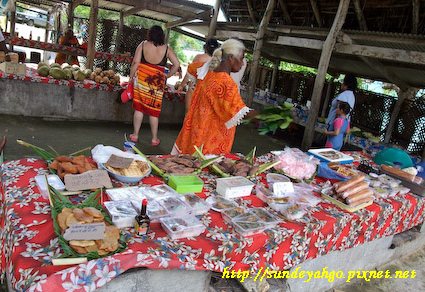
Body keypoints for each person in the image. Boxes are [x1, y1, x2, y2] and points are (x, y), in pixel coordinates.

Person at [171, 39, 251, 155]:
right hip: (210, 143)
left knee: (184, 163)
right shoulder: (226, 83)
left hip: (195, 131)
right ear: (230, 58)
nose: (243, 63)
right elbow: (239, 112)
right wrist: (266, 116)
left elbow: (191, 69)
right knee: (198, 168)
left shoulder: (207, 70)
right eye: (241, 58)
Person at [129, 25, 180, 146]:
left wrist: (131, 77)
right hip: (157, 83)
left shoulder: (142, 44)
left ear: (150, 34)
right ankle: (154, 139)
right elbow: (177, 64)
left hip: (142, 79)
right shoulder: (167, 49)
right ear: (162, 36)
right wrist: (167, 76)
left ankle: (135, 135)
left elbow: (136, 62)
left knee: (139, 107)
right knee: (153, 110)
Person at [177, 38, 219, 112]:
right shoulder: (218, 61)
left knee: (188, 114)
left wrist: (181, 85)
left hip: (194, 88)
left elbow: (188, 74)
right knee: (200, 118)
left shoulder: (198, 57)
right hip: (208, 92)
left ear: (205, 47)